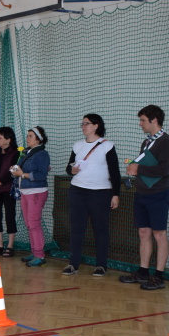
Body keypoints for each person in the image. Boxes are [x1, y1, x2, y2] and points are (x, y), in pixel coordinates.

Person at [120, 104, 169, 290]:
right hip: (142, 193)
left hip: (158, 194)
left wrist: (139, 168)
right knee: (143, 232)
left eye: (143, 120)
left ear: (154, 120)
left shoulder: (165, 142)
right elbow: (144, 166)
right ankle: (143, 272)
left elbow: (164, 169)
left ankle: (158, 276)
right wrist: (134, 167)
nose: (140, 124)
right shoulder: (147, 142)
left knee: (159, 233)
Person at [63, 114, 121, 277]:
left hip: (101, 193)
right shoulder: (78, 145)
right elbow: (69, 168)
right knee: (76, 229)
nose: (83, 126)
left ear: (96, 126)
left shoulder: (107, 145)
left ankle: (101, 265)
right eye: (82, 124)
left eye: (86, 123)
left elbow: (114, 172)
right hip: (77, 191)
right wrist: (72, 170)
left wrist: (116, 194)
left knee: (100, 229)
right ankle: (73, 264)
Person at [11, 127, 51, 267]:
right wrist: (14, 170)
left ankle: (40, 255)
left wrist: (22, 174)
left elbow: (41, 175)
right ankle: (35, 252)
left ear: (39, 139)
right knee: (29, 224)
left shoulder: (42, 154)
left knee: (34, 223)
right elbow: (19, 169)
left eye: (30, 136)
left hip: (36, 192)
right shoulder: (26, 152)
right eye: (27, 136)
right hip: (26, 191)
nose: (27, 138)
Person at [0, 126, 19, 256]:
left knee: (9, 216)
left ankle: (10, 246)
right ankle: (0, 245)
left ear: (8, 139)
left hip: (8, 189)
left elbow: (13, 173)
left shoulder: (16, 153)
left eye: (0, 138)